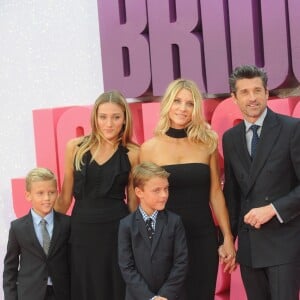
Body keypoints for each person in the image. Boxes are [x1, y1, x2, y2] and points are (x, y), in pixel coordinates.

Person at [140, 79, 236, 300]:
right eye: (177, 101)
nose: (182, 108)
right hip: (164, 240)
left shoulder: (207, 143)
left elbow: (215, 193)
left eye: (189, 103)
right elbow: (145, 202)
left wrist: (227, 238)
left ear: (196, 109)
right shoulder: (149, 149)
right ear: (167, 104)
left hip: (202, 236)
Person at [222, 65, 300, 300]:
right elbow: (233, 194)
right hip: (249, 247)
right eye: (244, 92)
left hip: (284, 243)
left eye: (257, 90)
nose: (252, 98)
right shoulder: (230, 138)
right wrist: (227, 239)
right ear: (234, 98)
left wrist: (273, 209)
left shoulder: (292, 129)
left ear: (267, 93)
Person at [54, 90, 139, 300]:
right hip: (81, 232)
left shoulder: (133, 153)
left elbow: (133, 204)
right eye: (103, 117)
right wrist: (42, 230)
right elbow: (65, 198)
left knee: (116, 289)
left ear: (124, 119)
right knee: (84, 288)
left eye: (116, 117)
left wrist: (138, 241)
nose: (109, 124)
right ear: (95, 118)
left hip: (116, 233)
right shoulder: (75, 147)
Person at [118, 161, 188, 300]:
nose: (164, 195)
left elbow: (181, 262)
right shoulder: (126, 225)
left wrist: (164, 295)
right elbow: (126, 266)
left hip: (171, 296)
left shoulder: (175, 222)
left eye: (166, 189)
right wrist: (150, 298)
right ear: (139, 192)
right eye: (157, 190)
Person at [3, 167, 70, 300]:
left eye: (51, 192)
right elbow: (10, 268)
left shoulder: (67, 224)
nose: (47, 198)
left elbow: (74, 262)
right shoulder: (18, 227)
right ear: (28, 195)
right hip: (29, 294)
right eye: (40, 193)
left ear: (57, 192)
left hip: (62, 293)